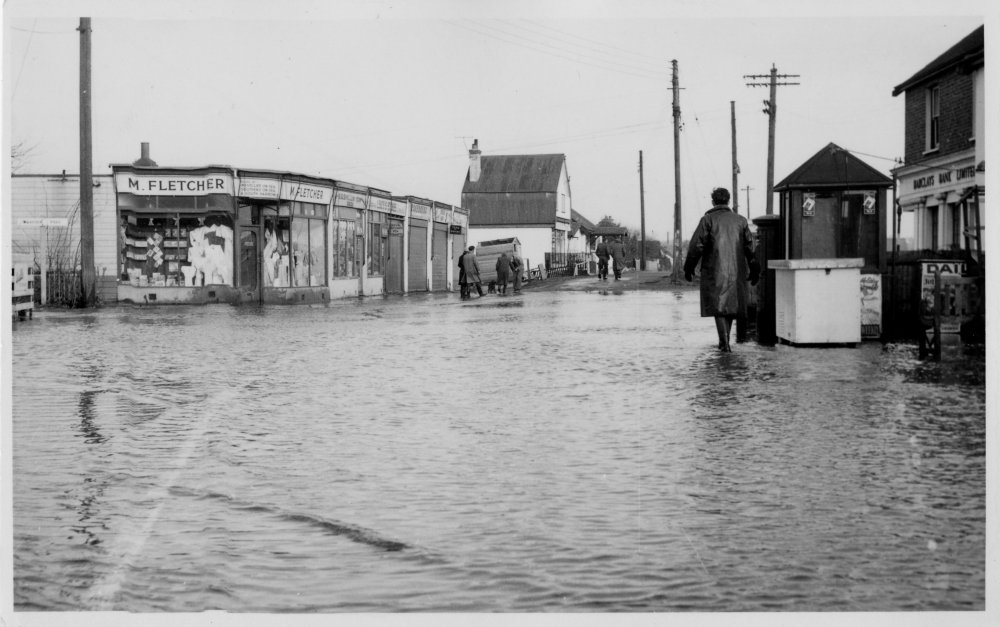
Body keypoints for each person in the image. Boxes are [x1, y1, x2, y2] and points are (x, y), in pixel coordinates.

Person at [683, 187, 760, 352]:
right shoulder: (741, 220)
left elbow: (696, 246)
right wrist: (754, 268)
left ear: (713, 201)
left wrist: (688, 267)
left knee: (719, 306)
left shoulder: (707, 220)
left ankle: (724, 344)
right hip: (736, 270)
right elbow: (750, 248)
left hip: (714, 269)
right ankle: (724, 342)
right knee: (730, 306)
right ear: (728, 200)